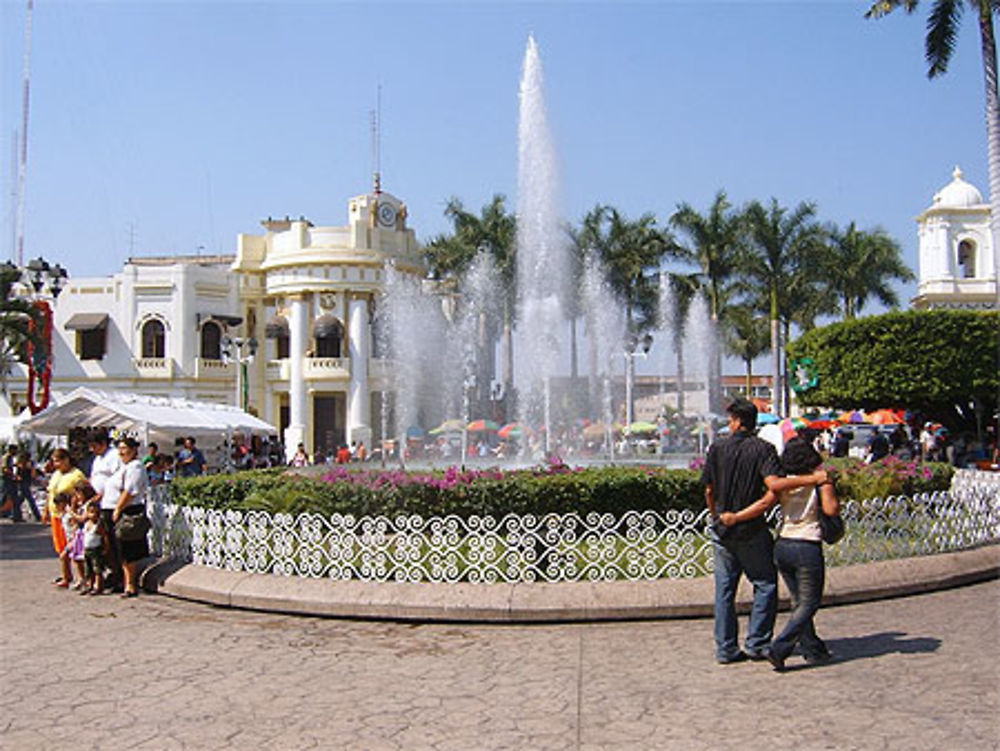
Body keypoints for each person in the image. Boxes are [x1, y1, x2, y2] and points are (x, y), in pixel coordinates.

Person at [703, 399, 824, 665]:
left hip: (722, 529)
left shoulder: (717, 447)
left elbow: (709, 490)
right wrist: (815, 479)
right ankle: (757, 643)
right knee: (765, 584)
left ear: (736, 421)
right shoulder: (764, 450)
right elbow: (773, 487)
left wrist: (716, 515)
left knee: (724, 589)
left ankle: (726, 649)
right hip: (751, 529)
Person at [722, 437, 839, 671]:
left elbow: (763, 505)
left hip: (783, 544)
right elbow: (831, 509)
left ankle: (813, 649)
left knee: (799, 601)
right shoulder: (821, 482)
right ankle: (779, 647)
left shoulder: (784, 484)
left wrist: (735, 517)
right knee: (809, 603)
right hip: (807, 544)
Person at [108, 437, 150, 598]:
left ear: (133, 450)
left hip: (130, 511)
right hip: (121, 509)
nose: (121, 452)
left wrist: (118, 508)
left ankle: (130, 584)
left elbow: (130, 491)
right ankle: (123, 581)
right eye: (120, 448)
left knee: (129, 548)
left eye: (124, 448)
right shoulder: (123, 466)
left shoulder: (135, 467)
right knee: (120, 548)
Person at [43, 449, 87, 585]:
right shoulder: (56, 474)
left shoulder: (76, 475)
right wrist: (45, 510)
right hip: (55, 514)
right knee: (60, 547)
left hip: (69, 516)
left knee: (74, 547)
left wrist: (74, 511)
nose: (56, 464)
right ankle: (66, 576)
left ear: (66, 459)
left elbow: (82, 493)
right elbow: (50, 493)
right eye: (54, 461)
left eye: (58, 461)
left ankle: (82, 577)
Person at [89, 431, 123, 590]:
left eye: (94, 446)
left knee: (113, 542)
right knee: (101, 543)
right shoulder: (97, 459)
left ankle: (118, 575)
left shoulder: (114, 456)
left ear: (103, 443)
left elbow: (117, 478)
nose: (92, 449)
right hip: (98, 505)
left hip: (110, 502)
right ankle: (108, 572)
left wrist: (103, 493)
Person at [81, 500, 110, 595]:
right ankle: (89, 585)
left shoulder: (98, 525)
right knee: (88, 569)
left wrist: (106, 548)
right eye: (90, 512)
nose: (92, 515)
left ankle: (99, 586)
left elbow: (105, 537)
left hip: (95, 549)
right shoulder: (86, 524)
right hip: (87, 549)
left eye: (95, 512)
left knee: (97, 569)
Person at [12, 450, 41, 522]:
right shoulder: (28, 464)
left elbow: (16, 474)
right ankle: (36, 516)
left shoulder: (21, 464)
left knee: (21, 500)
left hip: (22, 483)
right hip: (25, 482)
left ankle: (16, 516)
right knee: (26, 500)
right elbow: (33, 474)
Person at [1, 444, 18, 518]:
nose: (16, 452)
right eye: (15, 450)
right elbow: (5, 469)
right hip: (6, 479)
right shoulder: (7, 457)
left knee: (12, 497)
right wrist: (14, 476)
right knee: (3, 497)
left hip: (8, 479)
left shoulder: (9, 457)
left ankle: (15, 515)